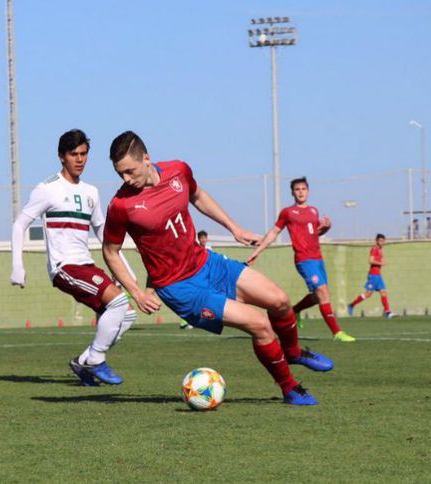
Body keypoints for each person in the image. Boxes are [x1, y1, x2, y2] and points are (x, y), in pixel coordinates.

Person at [102, 131, 333, 406]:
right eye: (120, 173)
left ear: (146, 159)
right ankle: (290, 388)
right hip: (180, 287)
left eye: (129, 171)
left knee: (280, 300)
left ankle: (293, 352)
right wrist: (137, 292)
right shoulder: (121, 205)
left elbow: (198, 196)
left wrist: (234, 228)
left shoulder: (178, 170)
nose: (126, 179)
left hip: (207, 263)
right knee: (260, 324)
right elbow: (110, 251)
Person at [11, 129, 137, 386]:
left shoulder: (91, 192)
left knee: (126, 315)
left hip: (86, 265)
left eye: (83, 154)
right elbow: (19, 224)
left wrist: (123, 265)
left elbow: (102, 231)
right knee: (118, 302)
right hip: (65, 267)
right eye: (73, 154)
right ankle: (96, 359)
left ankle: (84, 361)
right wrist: (17, 266)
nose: (79, 159)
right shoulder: (47, 189)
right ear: (61, 156)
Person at [247, 177, 356, 342]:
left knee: (319, 296)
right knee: (322, 292)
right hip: (304, 259)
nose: (301, 192)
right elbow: (274, 232)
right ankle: (337, 333)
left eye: (303, 189)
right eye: (297, 189)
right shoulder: (288, 212)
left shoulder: (313, 211)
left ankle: (295, 310)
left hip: (318, 258)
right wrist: (258, 251)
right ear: (292, 193)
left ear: (308, 191)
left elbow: (314, 233)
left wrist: (326, 228)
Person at [347, 234, 393, 318]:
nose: (382, 242)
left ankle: (387, 312)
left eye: (383, 241)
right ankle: (351, 305)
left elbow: (382, 261)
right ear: (377, 241)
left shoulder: (380, 250)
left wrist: (383, 262)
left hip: (378, 276)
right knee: (368, 294)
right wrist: (381, 263)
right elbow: (370, 261)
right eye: (380, 240)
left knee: (383, 292)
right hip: (373, 275)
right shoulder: (374, 249)